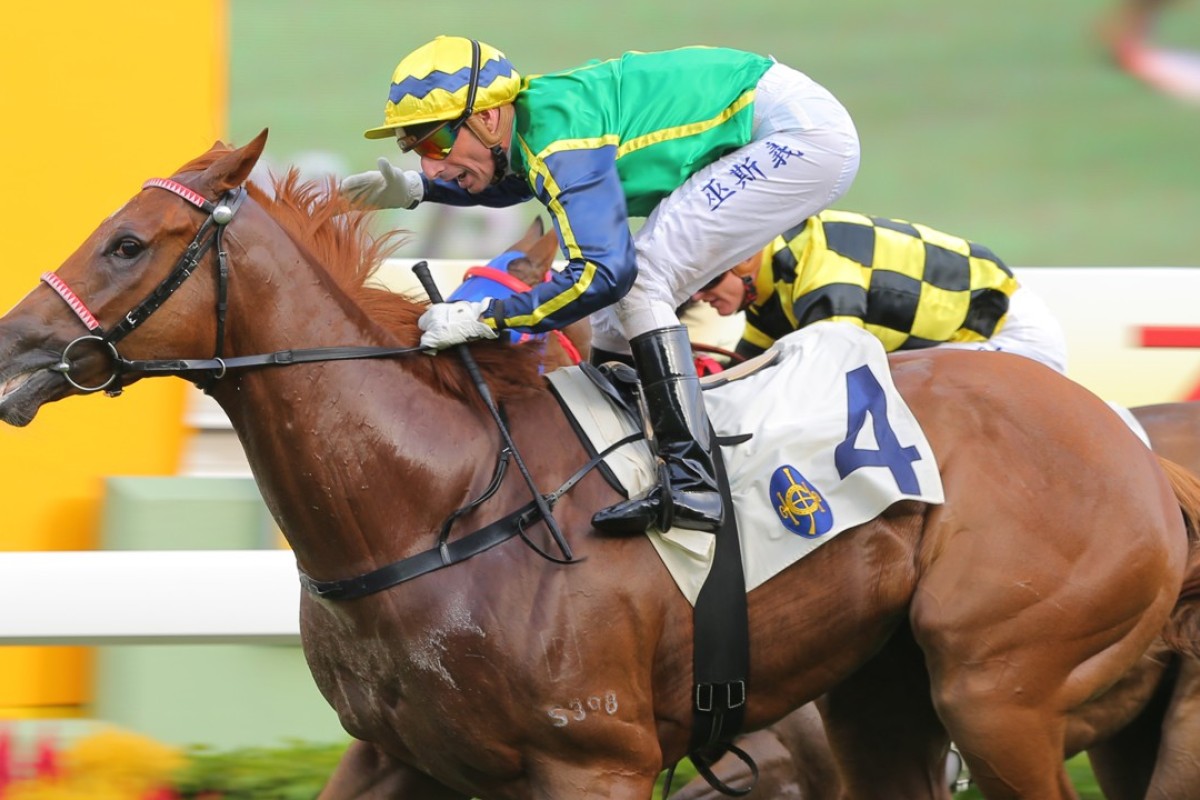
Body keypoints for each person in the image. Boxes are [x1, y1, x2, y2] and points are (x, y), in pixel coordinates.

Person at [340, 35, 860, 534]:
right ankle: (626, 461)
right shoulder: (529, 129)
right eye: (414, 148)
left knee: (639, 278)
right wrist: (418, 188)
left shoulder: (561, 135)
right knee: (616, 312)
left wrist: (487, 315)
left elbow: (604, 272)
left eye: (436, 141)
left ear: (488, 117)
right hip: (784, 122)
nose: (429, 161)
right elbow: (516, 180)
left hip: (797, 134)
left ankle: (691, 482)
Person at [690, 210, 1069, 373]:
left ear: (744, 262)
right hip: (967, 336)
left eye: (706, 283)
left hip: (1005, 332)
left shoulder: (819, 270)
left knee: (891, 388)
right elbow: (746, 368)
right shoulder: (770, 288)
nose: (697, 298)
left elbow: (830, 373)